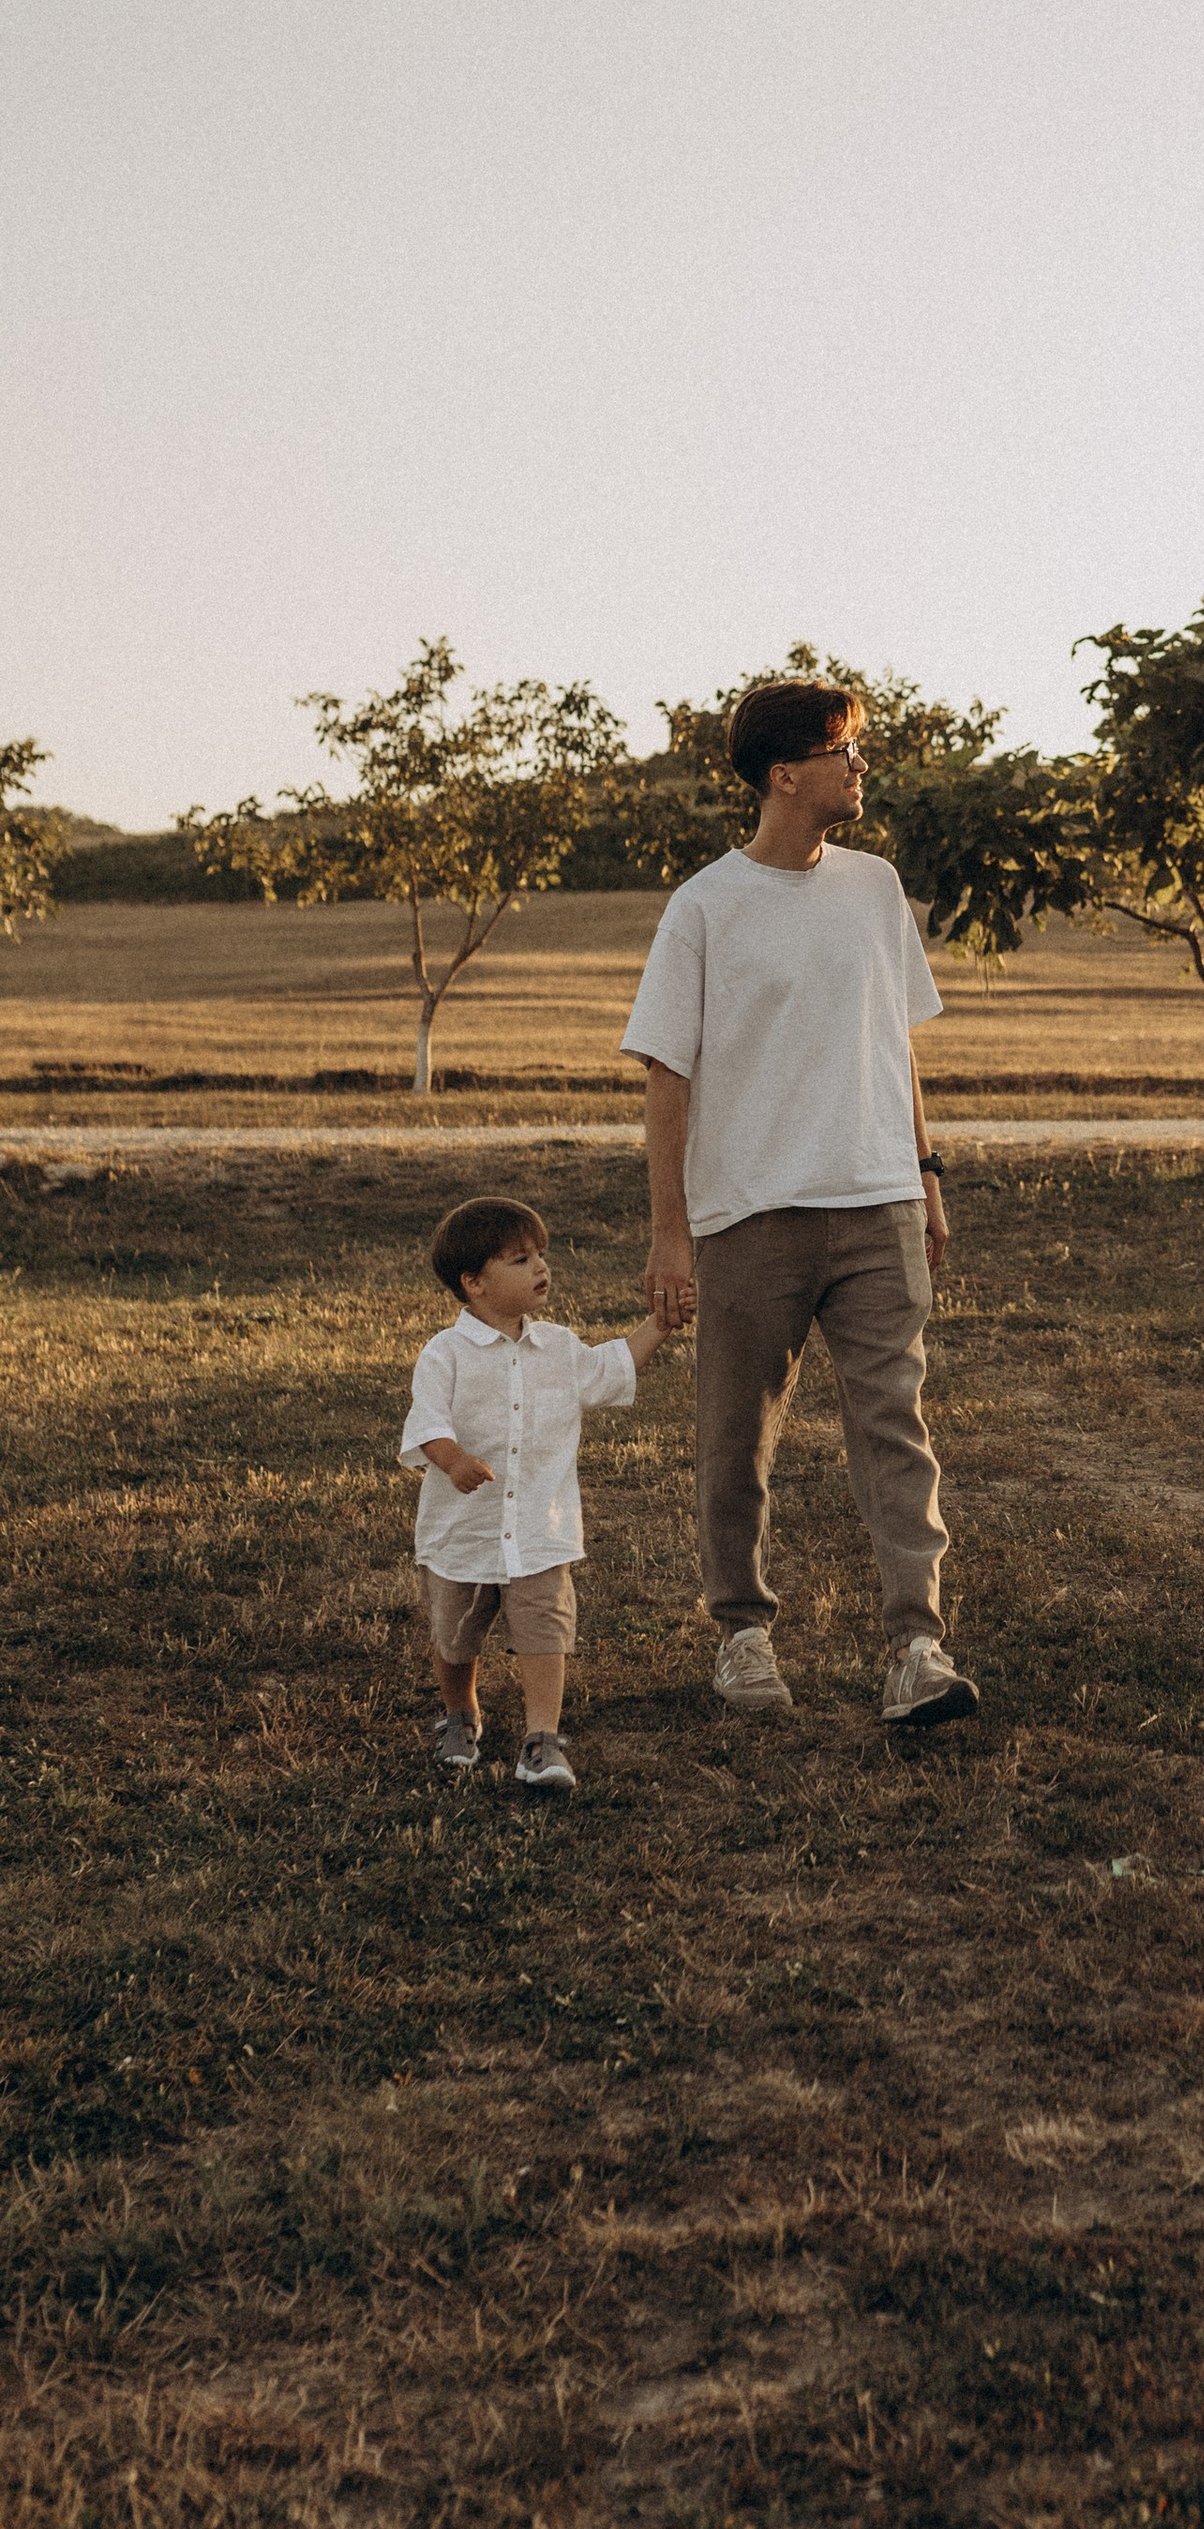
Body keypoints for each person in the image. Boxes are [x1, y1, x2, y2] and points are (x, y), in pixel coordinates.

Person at [621, 675, 980, 1734]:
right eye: (844, 750)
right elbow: (666, 1077)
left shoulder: (875, 888)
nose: (859, 765)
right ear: (786, 774)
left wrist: (925, 1174)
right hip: (748, 1216)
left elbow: (896, 1042)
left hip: (875, 1204)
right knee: (736, 1442)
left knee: (895, 1431)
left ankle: (917, 1647)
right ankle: (741, 1636)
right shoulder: (704, 908)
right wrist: (670, 1237)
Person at [401, 1193, 678, 1796]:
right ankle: (460, 1716)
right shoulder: (444, 1354)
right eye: (520, 1260)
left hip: (538, 1528)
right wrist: (454, 1463)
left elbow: (611, 1370)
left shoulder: (559, 1347)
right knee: (454, 1634)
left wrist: (657, 1325)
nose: (541, 1268)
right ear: (473, 1283)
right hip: (462, 1531)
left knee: (544, 1629)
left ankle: (541, 1739)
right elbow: (426, 1427)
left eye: (540, 1256)